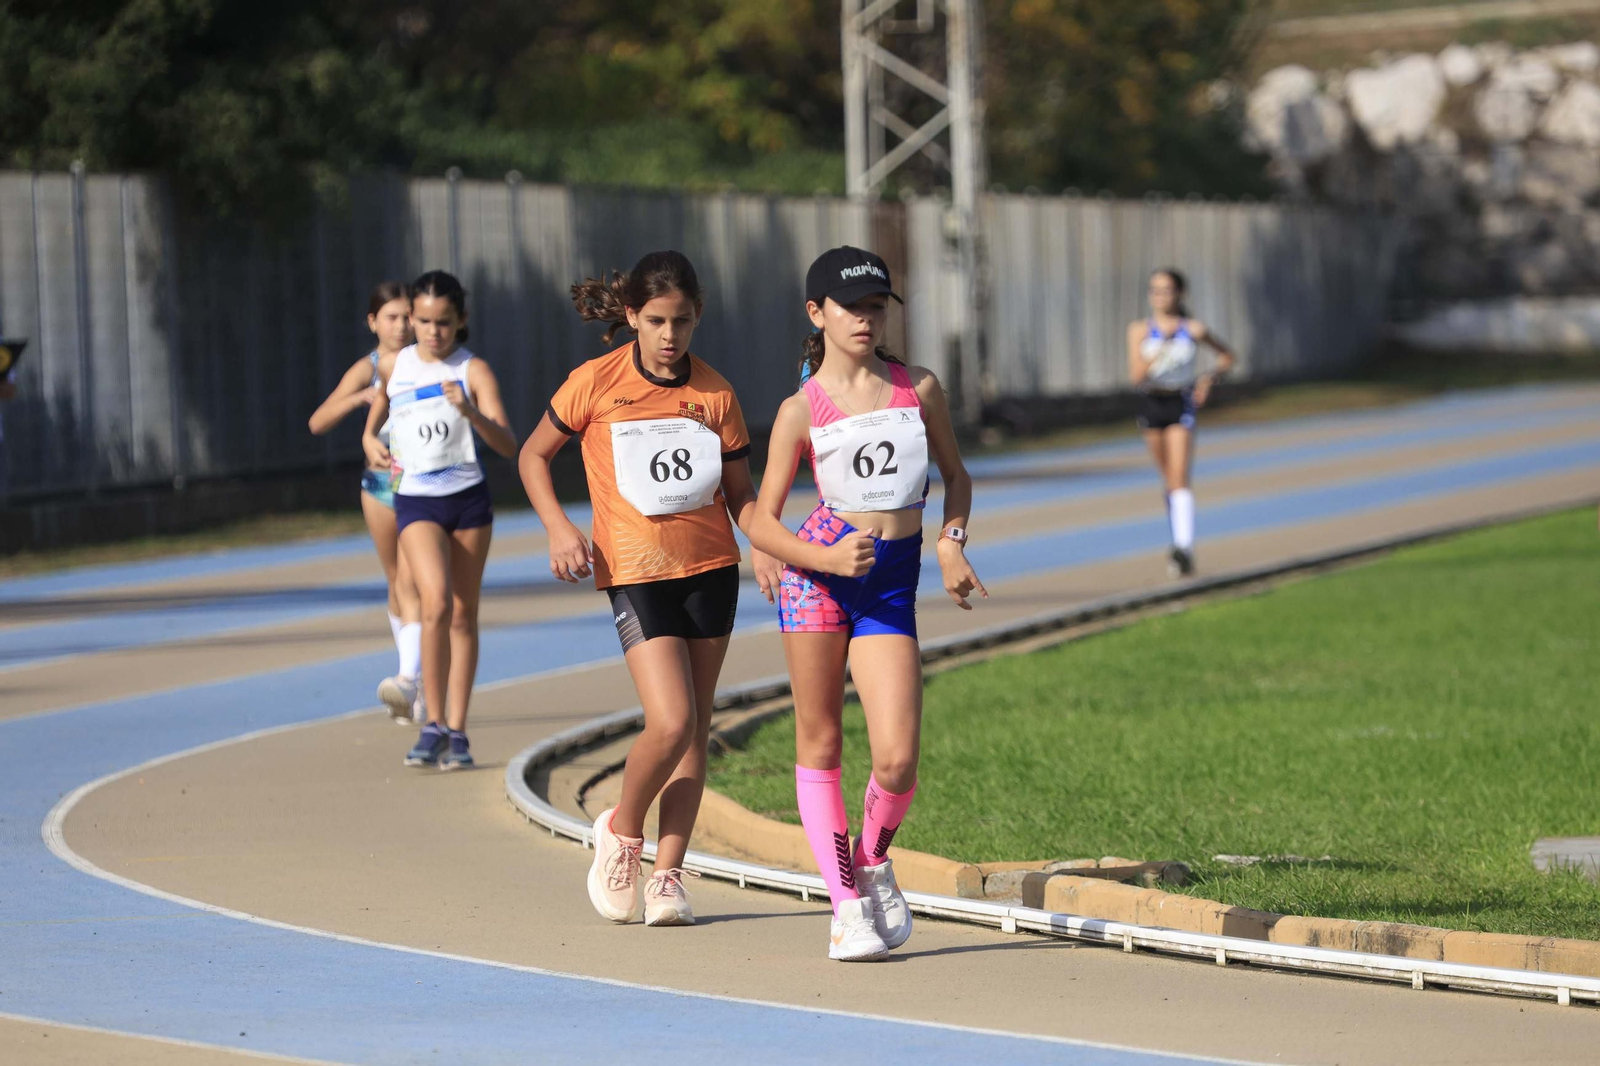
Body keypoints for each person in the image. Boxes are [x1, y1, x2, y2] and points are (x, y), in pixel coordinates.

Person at [744, 246, 986, 962]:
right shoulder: (800, 410)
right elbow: (759, 519)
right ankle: (844, 906)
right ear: (817, 315)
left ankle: (873, 860)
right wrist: (813, 558)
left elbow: (956, 475)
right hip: (820, 579)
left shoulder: (920, 388)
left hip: (890, 584)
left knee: (899, 760)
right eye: (852, 308)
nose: (867, 319)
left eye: (878, 307)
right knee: (821, 742)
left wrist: (952, 540)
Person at [518, 250, 761, 927]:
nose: (669, 335)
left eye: (682, 321)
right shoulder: (594, 383)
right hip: (634, 571)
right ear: (630, 316)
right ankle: (623, 832)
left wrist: (768, 546)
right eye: (655, 320)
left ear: (698, 316)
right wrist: (559, 529)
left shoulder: (715, 392)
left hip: (710, 568)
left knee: (695, 731)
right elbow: (532, 454)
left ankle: (669, 876)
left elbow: (741, 495)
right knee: (671, 719)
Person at [363, 270, 517, 771]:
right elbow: (381, 410)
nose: (433, 332)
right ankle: (430, 723)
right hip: (416, 503)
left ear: (461, 321)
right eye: (424, 321)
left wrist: (470, 412)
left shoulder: (474, 371)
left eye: (444, 323)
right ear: (412, 319)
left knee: (462, 613)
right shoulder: (396, 365)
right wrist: (370, 438)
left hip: (468, 500)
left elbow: (508, 445)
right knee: (433, 604)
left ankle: (457, 729)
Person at [308, 281, 424, 723]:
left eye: (407, 316)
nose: (401, 325)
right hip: (379, 484)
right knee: (396, 579)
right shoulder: (368, 367)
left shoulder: (426, 361)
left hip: (422, 483)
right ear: (373, 322)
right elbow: (317, 422)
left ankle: (413, 677)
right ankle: (409, 679)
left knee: (417, 581)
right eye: (392, 317)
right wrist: (358, 397)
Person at [1126, 268, 1237, 577]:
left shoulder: (1194, 329)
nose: (1160, 296)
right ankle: (1178, 539)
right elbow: (1135, 377)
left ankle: (1184, 548)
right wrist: (1156, 351)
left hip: (1180, 402)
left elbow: (1227, 356)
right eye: (1154, 290)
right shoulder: (1139, 330)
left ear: (1180, 294)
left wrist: (1207, 379)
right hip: (1151, 402)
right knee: (1168, 480)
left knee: (1179, 478)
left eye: (1166, 290)